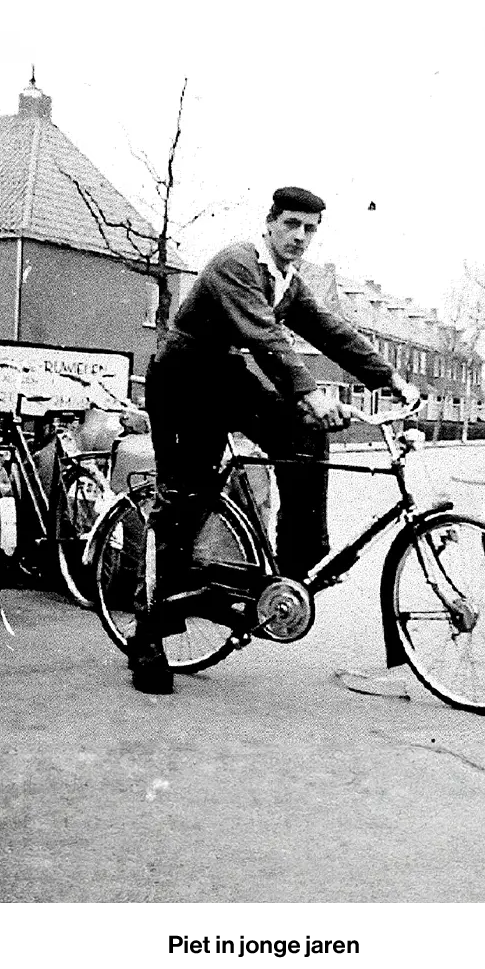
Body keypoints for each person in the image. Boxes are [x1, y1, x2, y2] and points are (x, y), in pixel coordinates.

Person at [129, 186, 420, 694]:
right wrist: (309, 391)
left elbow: (330, 329)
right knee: (185, 497)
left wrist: (388, 377)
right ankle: (149, 633)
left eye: (310, 229)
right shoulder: (237, 264)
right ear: (269, 223)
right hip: (182, 381)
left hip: (227, 375)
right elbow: (266, 336)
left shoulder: (288, 281)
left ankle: (295, 566)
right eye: (291, 225)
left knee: (304, 431)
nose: (300, 237)